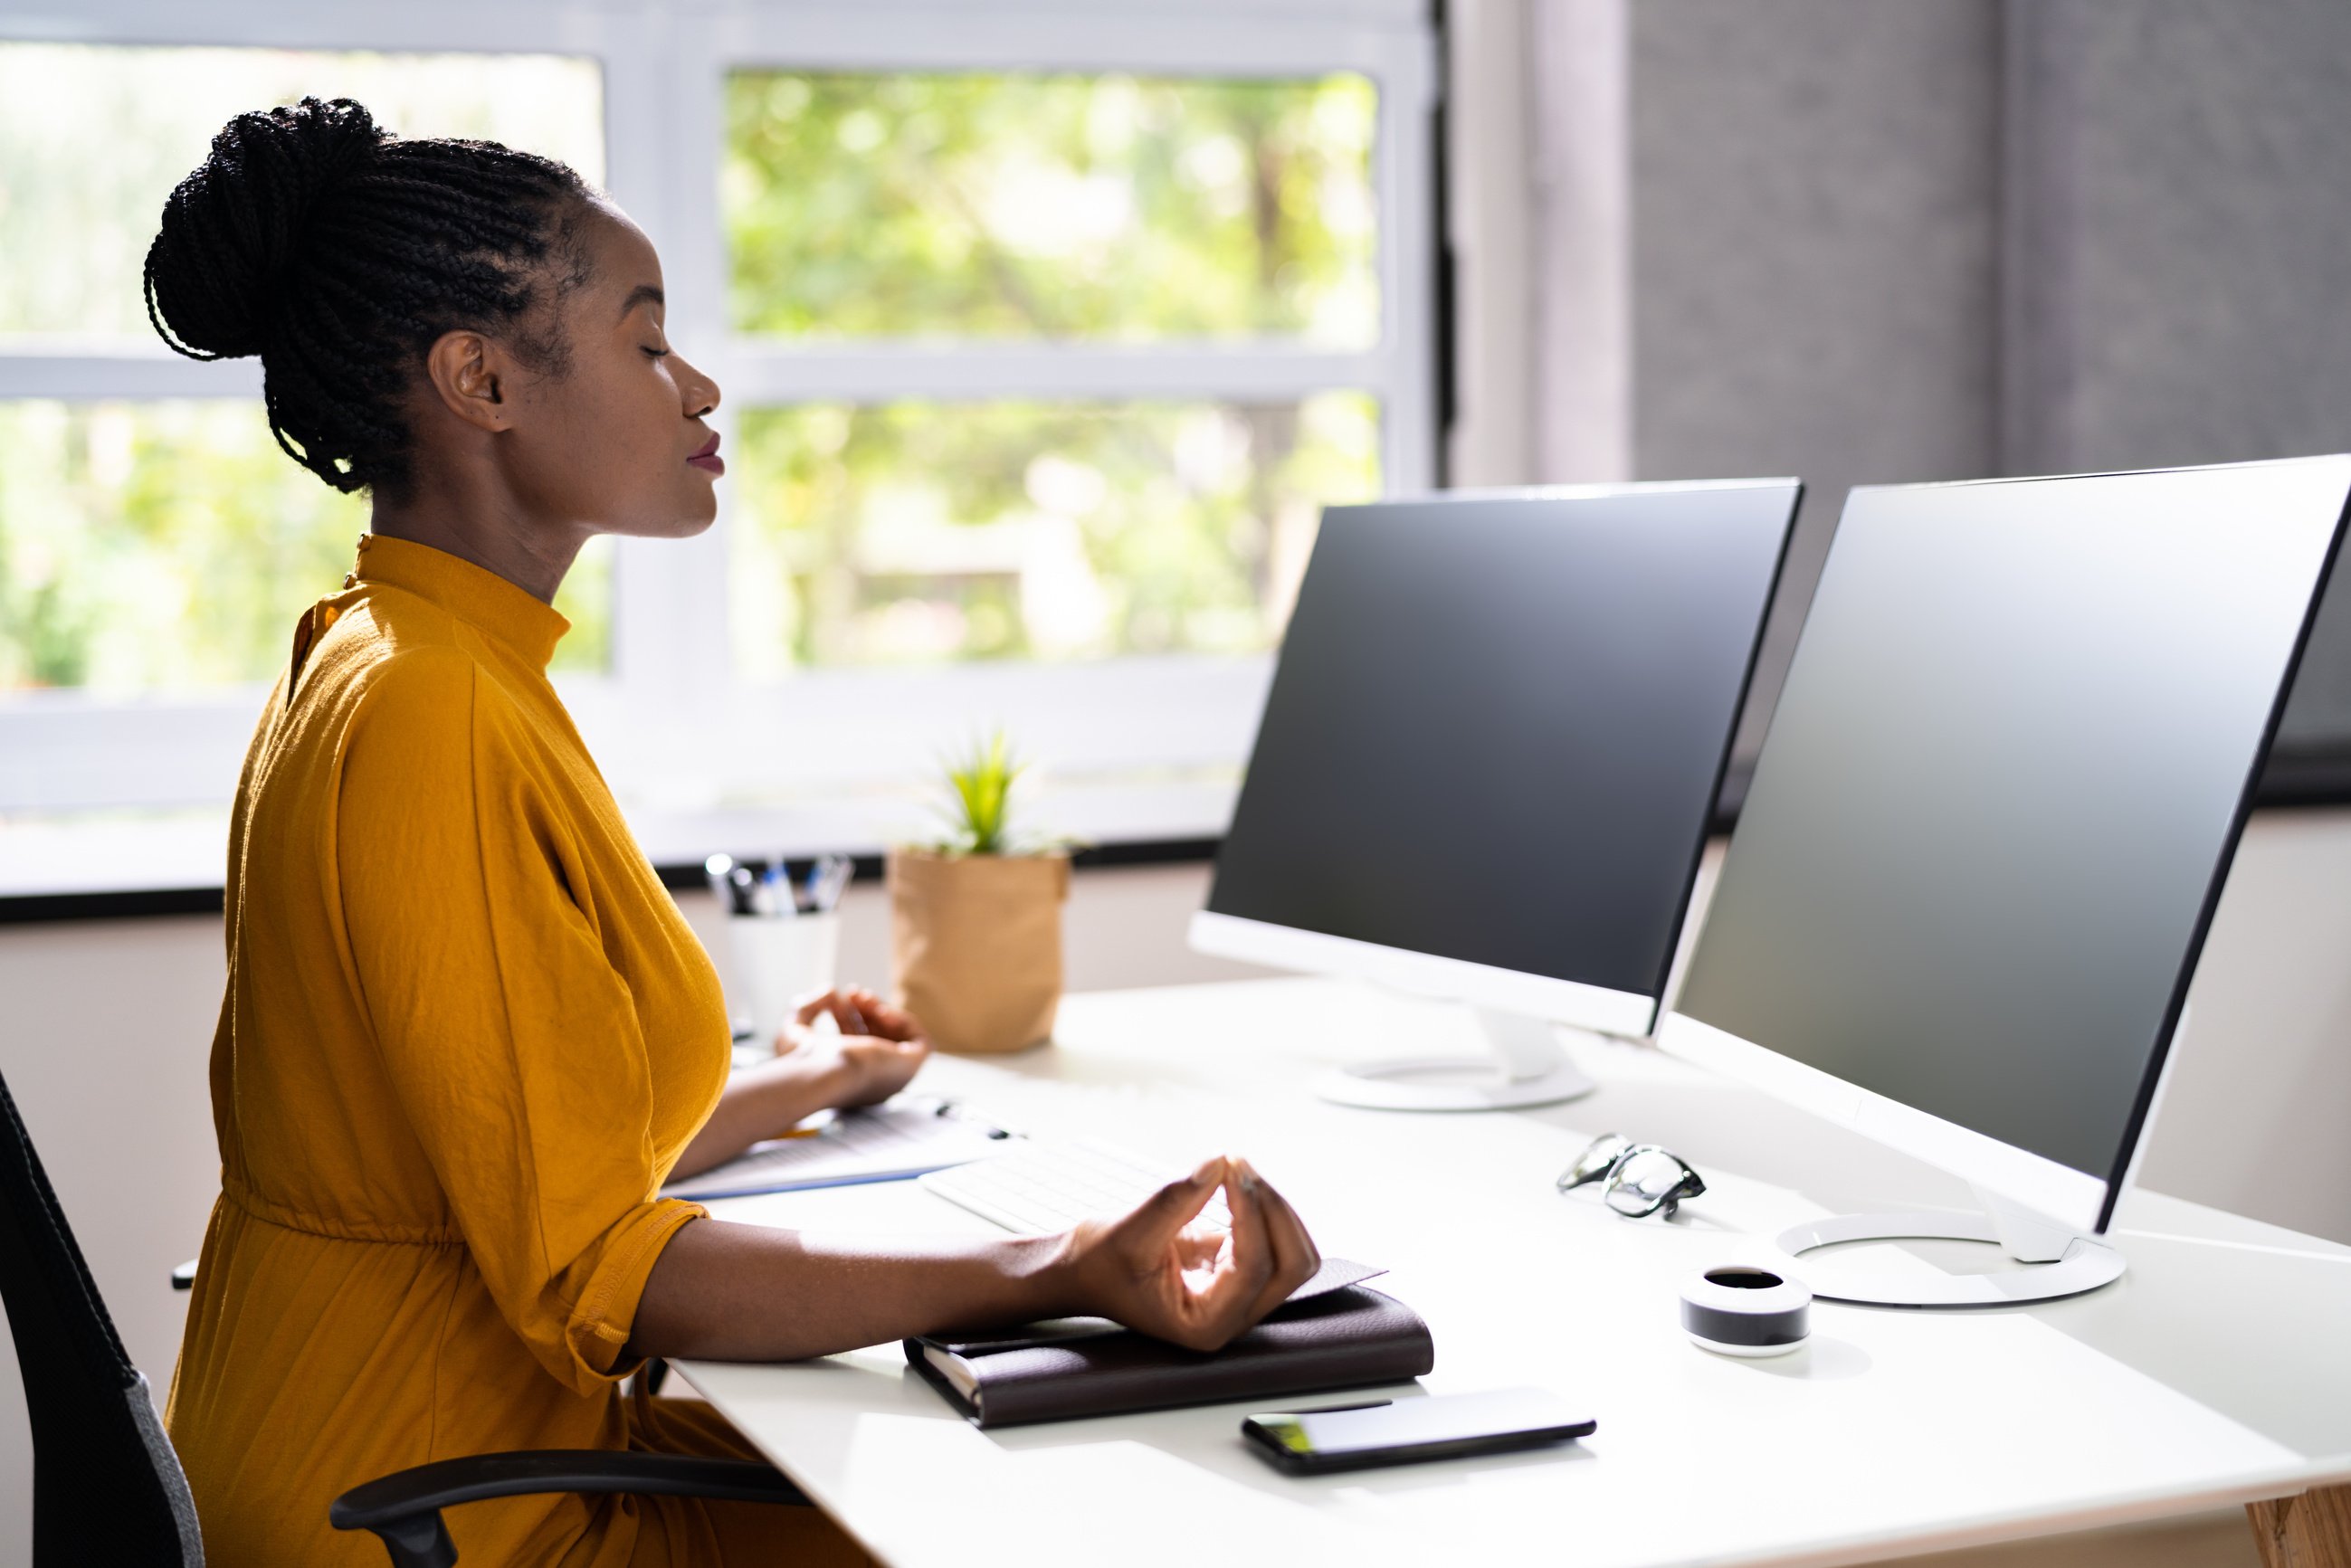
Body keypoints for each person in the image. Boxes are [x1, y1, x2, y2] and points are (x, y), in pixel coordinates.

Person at [146, 96, 1320, 1566]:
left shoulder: (380, 651)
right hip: (442, 1507)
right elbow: (604, 1266)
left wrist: (803, 1081)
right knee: (1083, 1501)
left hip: (394, 1447)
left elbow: (508, 1142)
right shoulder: (435, 712)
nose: (696, 385)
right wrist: (1066, 1262)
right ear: (482, 380)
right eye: (645, 340)